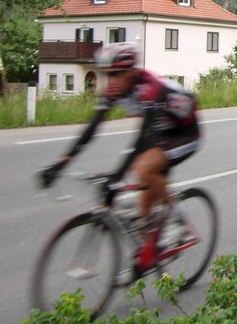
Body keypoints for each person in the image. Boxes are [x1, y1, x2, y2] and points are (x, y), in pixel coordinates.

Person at [40, 42, 200, 235]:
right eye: (107, 74)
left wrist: (118, 176)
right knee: (144, 219)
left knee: (143, 168)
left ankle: (180, 220)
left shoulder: (150, 89)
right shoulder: (113, 91)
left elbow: (143, 138)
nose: (111, 80)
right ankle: (153, 257)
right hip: (160, 130)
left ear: (131, 72)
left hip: (185, 132)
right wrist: (61, 163)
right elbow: (92, 129)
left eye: (116, 74)